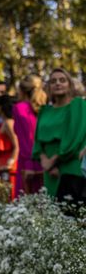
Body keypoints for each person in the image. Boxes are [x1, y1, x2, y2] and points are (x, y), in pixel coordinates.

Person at [33, 68, 86, 201]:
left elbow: (74, 139)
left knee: (71, 213)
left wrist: (54, 161)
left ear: (70, 85)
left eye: (62, 80)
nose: (58, 83)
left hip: (70, 167)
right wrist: (44, 159)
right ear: (49, 87)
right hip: (49, 171)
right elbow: (37, 141)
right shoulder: (45, 111)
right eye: (53, 81)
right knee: (52, 214)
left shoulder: (78, 105)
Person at [13, 74, 47, 196]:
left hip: (28, 163)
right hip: (45, 161)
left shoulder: (19, 108)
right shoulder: (45, 108)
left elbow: (27, 140)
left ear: (21, 90)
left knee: (26, 205)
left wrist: (28, 164)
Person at [0, 95, 19, 200]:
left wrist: (10, 164)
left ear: (1, 107)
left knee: (8, 197)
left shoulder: (8, 123)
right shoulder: (4, 123)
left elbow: (17, 145)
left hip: (8, 166)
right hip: (1, 164)